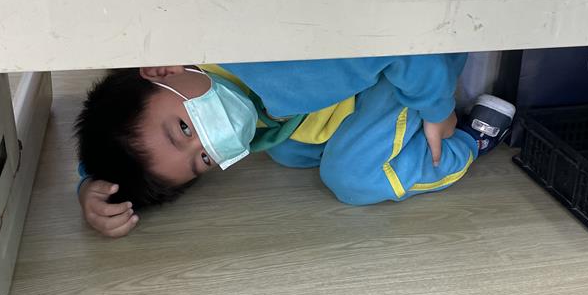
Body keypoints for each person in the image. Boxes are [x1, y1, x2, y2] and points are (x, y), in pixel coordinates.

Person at [75, 54, 515, 237]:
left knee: (353, 179)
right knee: (287, 151)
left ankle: (468, 143)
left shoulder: (284, 74)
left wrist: (437, 109)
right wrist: (95, 182)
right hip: (342, 89)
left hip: (413, 64)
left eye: (185, 130)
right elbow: (128, 134)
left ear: (161, 69)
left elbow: (409, 48)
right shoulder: (198, 72)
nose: (211, 140)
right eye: (204, 159)